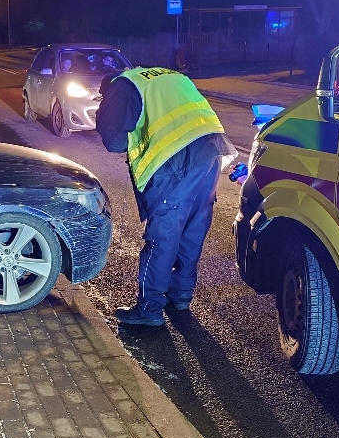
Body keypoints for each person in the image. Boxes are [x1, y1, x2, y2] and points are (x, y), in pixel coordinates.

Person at [96, 67, 236, 326]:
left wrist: (104, 113)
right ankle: (181, 295)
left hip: (178, 160)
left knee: (163, 236)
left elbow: (113, 140)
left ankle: (149, 310)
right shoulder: (167, 75)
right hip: (212, 152)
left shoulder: (123, 85)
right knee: (192, 230)